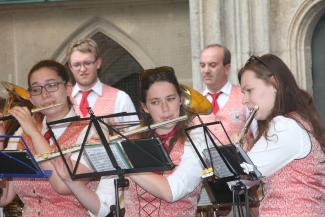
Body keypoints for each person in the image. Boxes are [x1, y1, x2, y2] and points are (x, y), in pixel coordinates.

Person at [54, 66, 205, 217]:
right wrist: (71, 181)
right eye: (155, 102)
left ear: (180, 100)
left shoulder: (195, 140)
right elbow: (103, 209)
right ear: (145, 107)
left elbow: (171, 191)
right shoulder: (129, 141)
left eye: (170, 99)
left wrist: (121, 159)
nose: (165, 109)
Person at [0, 60, 97, 216]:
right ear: (30, 98)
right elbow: (4, 197)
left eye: (51, 85)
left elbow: (62, 186)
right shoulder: (21, 134)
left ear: (68, 89)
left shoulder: (90, 132)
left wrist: (34, 132)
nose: (45, 95)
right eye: (36, 89)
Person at [239, 54, 325, 216]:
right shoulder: (297, 120)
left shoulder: (283, 126)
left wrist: (235, 154)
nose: (244, 100)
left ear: (274, 83)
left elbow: (241, 177)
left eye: (249, 90)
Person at [66, 38, 138, 123]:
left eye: (87, 63)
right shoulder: (64, 100)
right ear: (70, 67)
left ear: (98, 63)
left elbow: (134, 135)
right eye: (77, 65)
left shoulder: (120, 98)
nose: (82, 69)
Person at [197, 44, 250, 145]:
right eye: (202, 65)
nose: (206, 70)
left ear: (227, 68)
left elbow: (257, 134)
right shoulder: (194, 101)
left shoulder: (245, 96)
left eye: (212, 65)